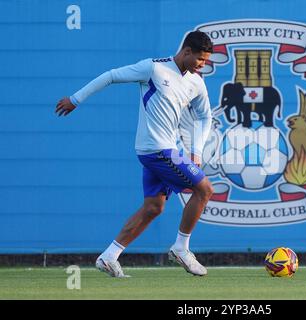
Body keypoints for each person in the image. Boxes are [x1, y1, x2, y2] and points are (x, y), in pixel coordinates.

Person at [55, 31, 214, 277]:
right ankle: (181, 248)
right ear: (186, 51)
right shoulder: (153, 69)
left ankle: (109, 257)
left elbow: (205, 117)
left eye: (205, 60)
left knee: (153, 207)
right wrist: (76, 99)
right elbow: (111, 76)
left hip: (162, 149)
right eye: (200, 59)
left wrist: (196, 151)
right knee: (204, 189)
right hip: (158, 149)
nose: (203, 65)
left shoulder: (196, 82)